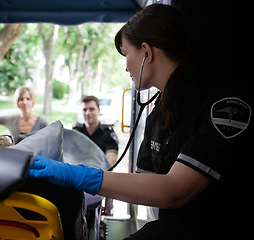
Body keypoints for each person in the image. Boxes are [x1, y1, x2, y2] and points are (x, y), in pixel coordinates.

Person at [28, 4, 249, 239]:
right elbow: (145, 183)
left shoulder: (226, 109)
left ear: (146, 52)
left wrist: (80, 176)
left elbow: (173, 190)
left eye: (126, 54)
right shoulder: (160, 113)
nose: (125, 66)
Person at [73, 95, 119, 166]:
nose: (87, 113)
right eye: (84, 110)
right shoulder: (75, 132)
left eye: (91, 109)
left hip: (99, 174)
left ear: (98, 110)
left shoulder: (108, 133)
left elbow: (110, 161)